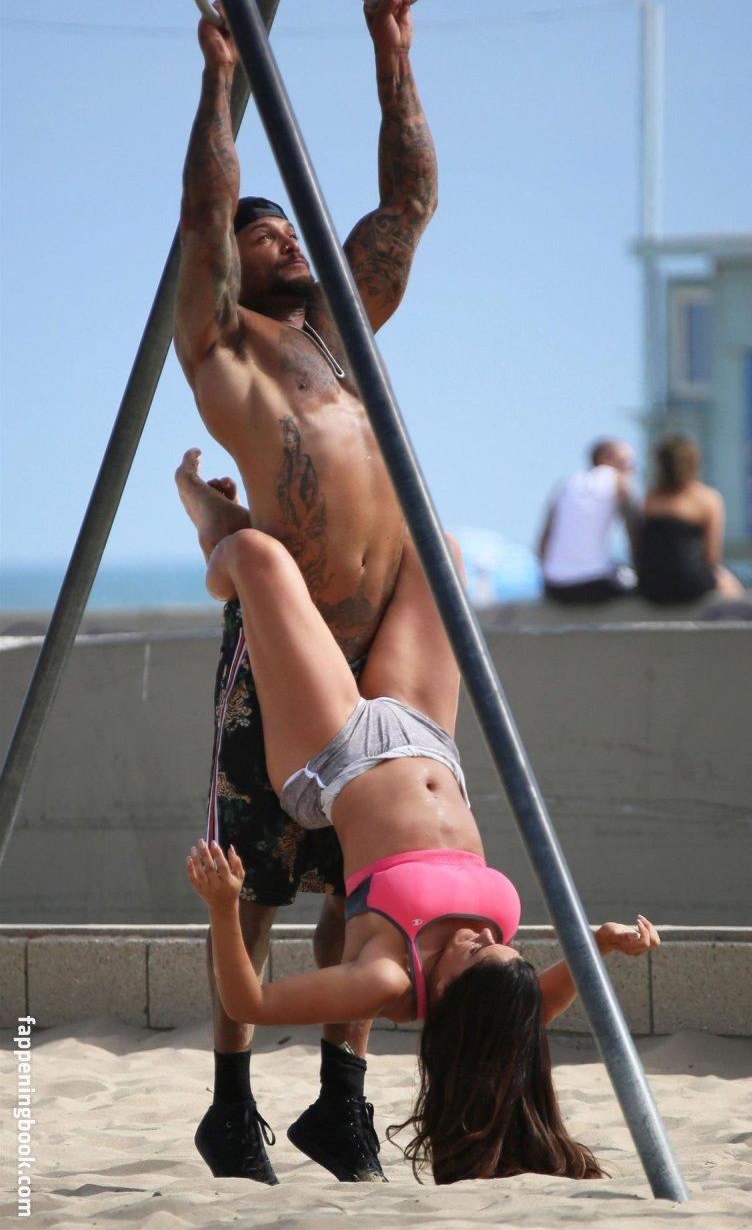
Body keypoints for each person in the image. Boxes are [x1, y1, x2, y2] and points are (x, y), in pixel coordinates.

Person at [179, 461, 661, 1184]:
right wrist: (603, 946)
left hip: (334, 756)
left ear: (453, 1003)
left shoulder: (388, 976)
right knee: (441, 551)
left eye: (475, 954)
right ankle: (239, 530)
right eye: (502, 945)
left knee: (255, 558)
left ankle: (213, 532)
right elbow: (545, 997)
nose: (485, 936)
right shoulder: (500, 987)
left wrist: (221, 907)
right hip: (429, 738)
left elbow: (252, 999)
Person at [173, 0, 437, 1185]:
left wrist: (393, 56)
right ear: (226, 268)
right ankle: (230, 1106)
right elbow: (204, 209)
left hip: (373, 654)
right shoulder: (224, 346)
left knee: (361, 885)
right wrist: (220, 79)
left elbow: (409, 202)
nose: (285, 236)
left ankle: (340, 1100)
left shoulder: (342, 330)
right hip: (283, 656)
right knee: (256, 886)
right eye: (262, 231)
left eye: (290, 227)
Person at [634, 434, 744, 605]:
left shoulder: (648, 499)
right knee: (733, 586)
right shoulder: (708, 499)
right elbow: (711, 557)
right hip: (689, 584)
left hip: (650, 587)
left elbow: (639, 548)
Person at [538, 440, 638, 604]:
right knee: (631, 578)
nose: (632, 470)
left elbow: (544, 540)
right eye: (626, 462)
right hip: (593, 584)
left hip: (554, 587)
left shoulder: (566, 484)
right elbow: (635, 532)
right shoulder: (618, 480)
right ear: (606, 458)